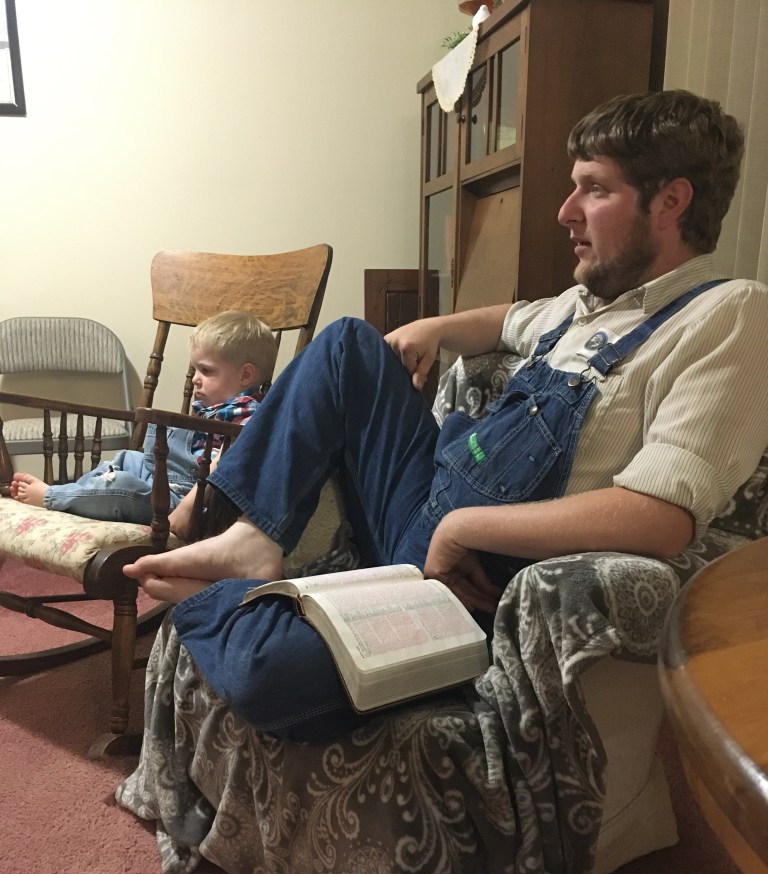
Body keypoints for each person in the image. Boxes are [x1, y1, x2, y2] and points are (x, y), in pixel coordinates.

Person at [124, 89, 768, 742]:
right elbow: (506, 320)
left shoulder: (728, 314)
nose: (565, 211)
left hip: (470, 580)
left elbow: (661, 518)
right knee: (348, 343)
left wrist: (463, 526)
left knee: (270, 674)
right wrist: (433, 327)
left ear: (671, 201)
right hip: (425, 505)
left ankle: (235, 602)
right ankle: (255, 538)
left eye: (594, 189)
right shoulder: (585, 303)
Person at [10, 310, 277, 529]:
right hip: (160, 475)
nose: (195, 379)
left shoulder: (249, 416)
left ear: (245, 375)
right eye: (195, 369)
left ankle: (53, 496)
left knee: (122, 486)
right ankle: (75, 493)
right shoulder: (210, 407)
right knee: (126, 458)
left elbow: (225, 466)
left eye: (206, 371)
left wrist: (187, 506)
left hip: (185, 498)